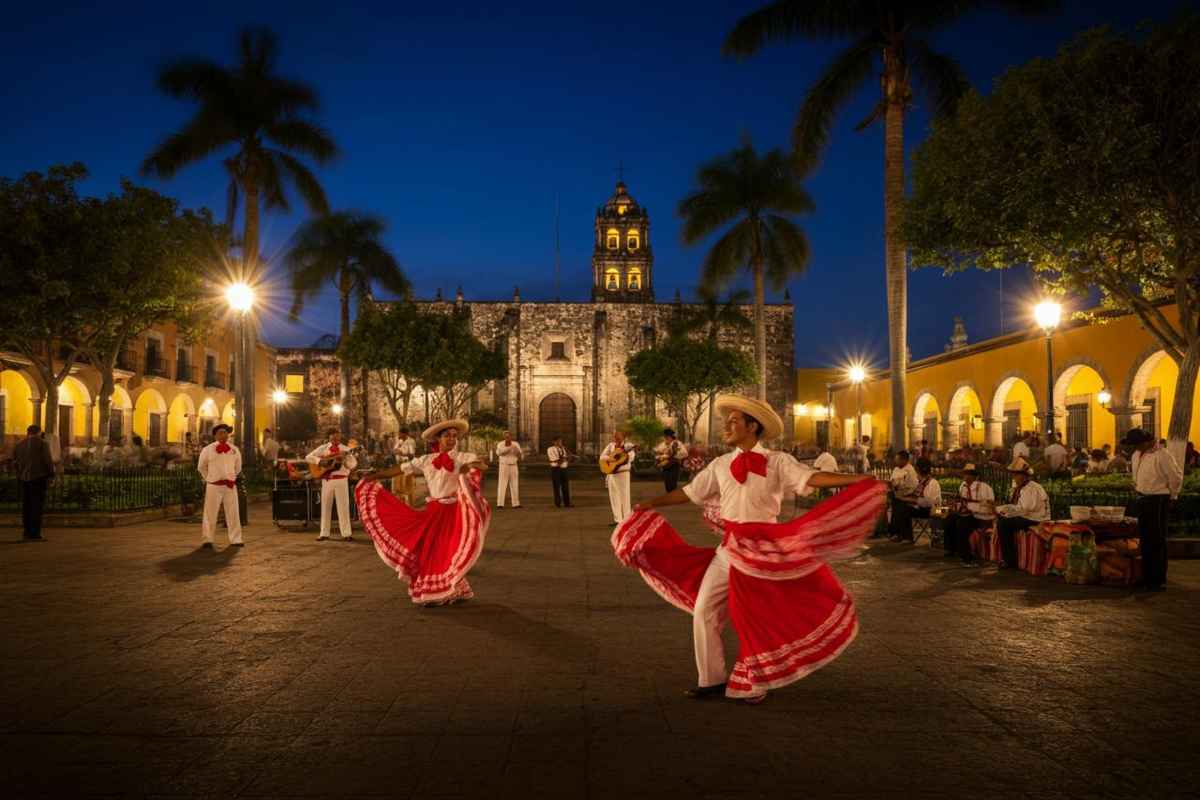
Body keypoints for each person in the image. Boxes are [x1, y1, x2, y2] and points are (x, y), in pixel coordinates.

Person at [614, 395, 884, 704]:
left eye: (733, 422)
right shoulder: (720, 464)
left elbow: (813, 478)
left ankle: (755, 680)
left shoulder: (778, 461)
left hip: (762, 551)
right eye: (727, 422)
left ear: (752, 426)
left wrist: (857, 479)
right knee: (704, 611)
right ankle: (711, 680)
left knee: (755, 617)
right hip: (729, 548)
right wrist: (650, 503)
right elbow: (689, 493)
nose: (726, 427)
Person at [355, 419, 489, 605]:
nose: (451, 439)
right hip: (434, 511)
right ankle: (449, 588)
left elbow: (482, 465)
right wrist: (374, 476)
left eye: (454, 436)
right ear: (437, 439)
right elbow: (400, 469)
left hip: (454, 512)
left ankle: (444, 590)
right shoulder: (426, 460)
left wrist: (470, 467)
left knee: (447, 551)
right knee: (432, 551)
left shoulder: (463, 457)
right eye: (447, 436)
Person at [1123, 428, 1181, 592]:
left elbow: (1175, 476)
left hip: (1158, 498)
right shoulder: (1136, 455)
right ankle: (1147, 576)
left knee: (1157, 539)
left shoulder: (1162, 455)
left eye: (1137, 445)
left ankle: (1158, 579)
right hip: (1143, 497)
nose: (1135, 448)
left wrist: (1173, 496)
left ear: (1146, 442)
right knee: (1145, 538)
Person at [994, 457, 1050, 568]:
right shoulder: (1019, 487)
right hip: (1026, 516)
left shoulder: (1032, 488)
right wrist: (1002, 510)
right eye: (1013, 475)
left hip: (1035, 518)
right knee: (1002, 520)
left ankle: (1009, 560)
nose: (1014, 477)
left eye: (1016, 475)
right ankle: (1008, 558)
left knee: (1004, 524)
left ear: (1025, 476)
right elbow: (1016, 506)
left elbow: (1024, 509)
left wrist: (1003, 511)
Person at [196, 423, 243, 549]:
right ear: (215, 435)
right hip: (213, 485)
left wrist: (231, 476)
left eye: (225, 432)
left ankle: (236, 539)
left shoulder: (234, 450)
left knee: (233, 512)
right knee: (210, 513)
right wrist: (210, 478)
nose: (223, 435)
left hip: (229, 485)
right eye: (220, 432)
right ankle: (207, 539)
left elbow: (238, 468)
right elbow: (201, 467)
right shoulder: (207, 450)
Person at [306, 429, 358, 541]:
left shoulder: (345, 449)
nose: (336, 439)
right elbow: (308, 457)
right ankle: (324, 533)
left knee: (343, 507)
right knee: (325, 507)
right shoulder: (323, 448)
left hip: (341, 480)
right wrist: (321, 462)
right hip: (327, 479)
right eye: (333, 437)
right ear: (329, 437)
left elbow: (353, 464)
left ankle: (346, 534)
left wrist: (345, 461)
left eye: (337, 437)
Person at [942, 463, 995, 566]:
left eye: (968, 474)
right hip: (968, 515)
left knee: (963, 523)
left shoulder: (984, 488)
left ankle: (967, 556)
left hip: (981, 517)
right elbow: (960, 503)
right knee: (949, 518)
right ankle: (951, 549)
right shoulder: (963, 486)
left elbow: (989, 508)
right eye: (964, 474)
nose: (965, 476)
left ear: (974, 476)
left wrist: (970, 507)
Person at [13, 424, 55, 542]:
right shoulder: (42, 444)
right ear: (38, 432)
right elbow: (48, 461)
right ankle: (35, 533)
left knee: (26, 506)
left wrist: (20, 474)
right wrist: (51, 475)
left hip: (24, 479)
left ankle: (26, 532)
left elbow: (15, 462)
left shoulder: (19, 445)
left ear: (28, 432)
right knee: (37, 506)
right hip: (38, 478)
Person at [888, 457, 940, 543]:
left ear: (918, 469)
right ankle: (897, 533)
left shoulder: (932, 483)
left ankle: (907, 537)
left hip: (931, 510)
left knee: (904, 508)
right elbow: (915, 495)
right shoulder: (920, 481)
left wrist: (911, 500)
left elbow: (929, 503)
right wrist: (905, 497)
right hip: (919, 507)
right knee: (897, 502)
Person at [600, 430, 636, 525]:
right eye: (614, 436)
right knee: (614, 496)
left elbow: (631, 458)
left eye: (617, 436)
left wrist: (623, 456)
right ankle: (618, 520)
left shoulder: (628, 446)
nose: (615, 438)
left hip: (623, 474)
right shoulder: (611, 446)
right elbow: (602, 457)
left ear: (623, 436)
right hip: (611, 474)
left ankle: (627, 519)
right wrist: (610, 458)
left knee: (624, 496)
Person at [494, 431, 522, 509]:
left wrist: (516, 450)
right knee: (502, 484)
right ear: (504, 437)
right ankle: (500, 504)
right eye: (506, 436)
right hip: (504, 466)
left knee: (515, 484)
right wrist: (509, 448)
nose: (507, 438)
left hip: (513, 465)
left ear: (511, 436)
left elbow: (519, 454)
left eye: (509, 436)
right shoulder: (500, 444)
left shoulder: (516, 444)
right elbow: (500, 453)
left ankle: (516, 503)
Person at [391, 427, 418, 504]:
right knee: (398, 488)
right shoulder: (399, 441)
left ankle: (411, 507)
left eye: (400, 433)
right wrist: (396, 451)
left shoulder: (411, 441)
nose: (398, 435)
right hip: (399, 465)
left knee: (409, 487)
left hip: (407, 465)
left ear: (405, 434)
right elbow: (394, 450)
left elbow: (412, 455)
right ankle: (402, 507)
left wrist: (403, 453)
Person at [655, 428, 687, 492]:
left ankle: (673, 498)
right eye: (665, 436)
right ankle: (669, 497)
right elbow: (657, 453)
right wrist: (661, 457)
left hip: (674, 466)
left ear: (671, 437)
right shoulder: (663, 444)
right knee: (667, 484)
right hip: (665, 467)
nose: (666, 438)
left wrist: (674, 455)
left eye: (667, 436)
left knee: (673, 484)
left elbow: (685, 453)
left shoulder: (677, 443)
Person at [547, 435, 572, 508]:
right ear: (554, 442)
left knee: (566, 486)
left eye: (560, 441)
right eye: (557, 441)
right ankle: (558, 503)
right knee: (557, 487)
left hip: (564, 469)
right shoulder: (550, 449)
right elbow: (556, 460)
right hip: (556, 469)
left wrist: (569, 457)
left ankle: (567, 503)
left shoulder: (563, 449)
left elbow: (566, 459)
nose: (559, 443)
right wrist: (565, 458)